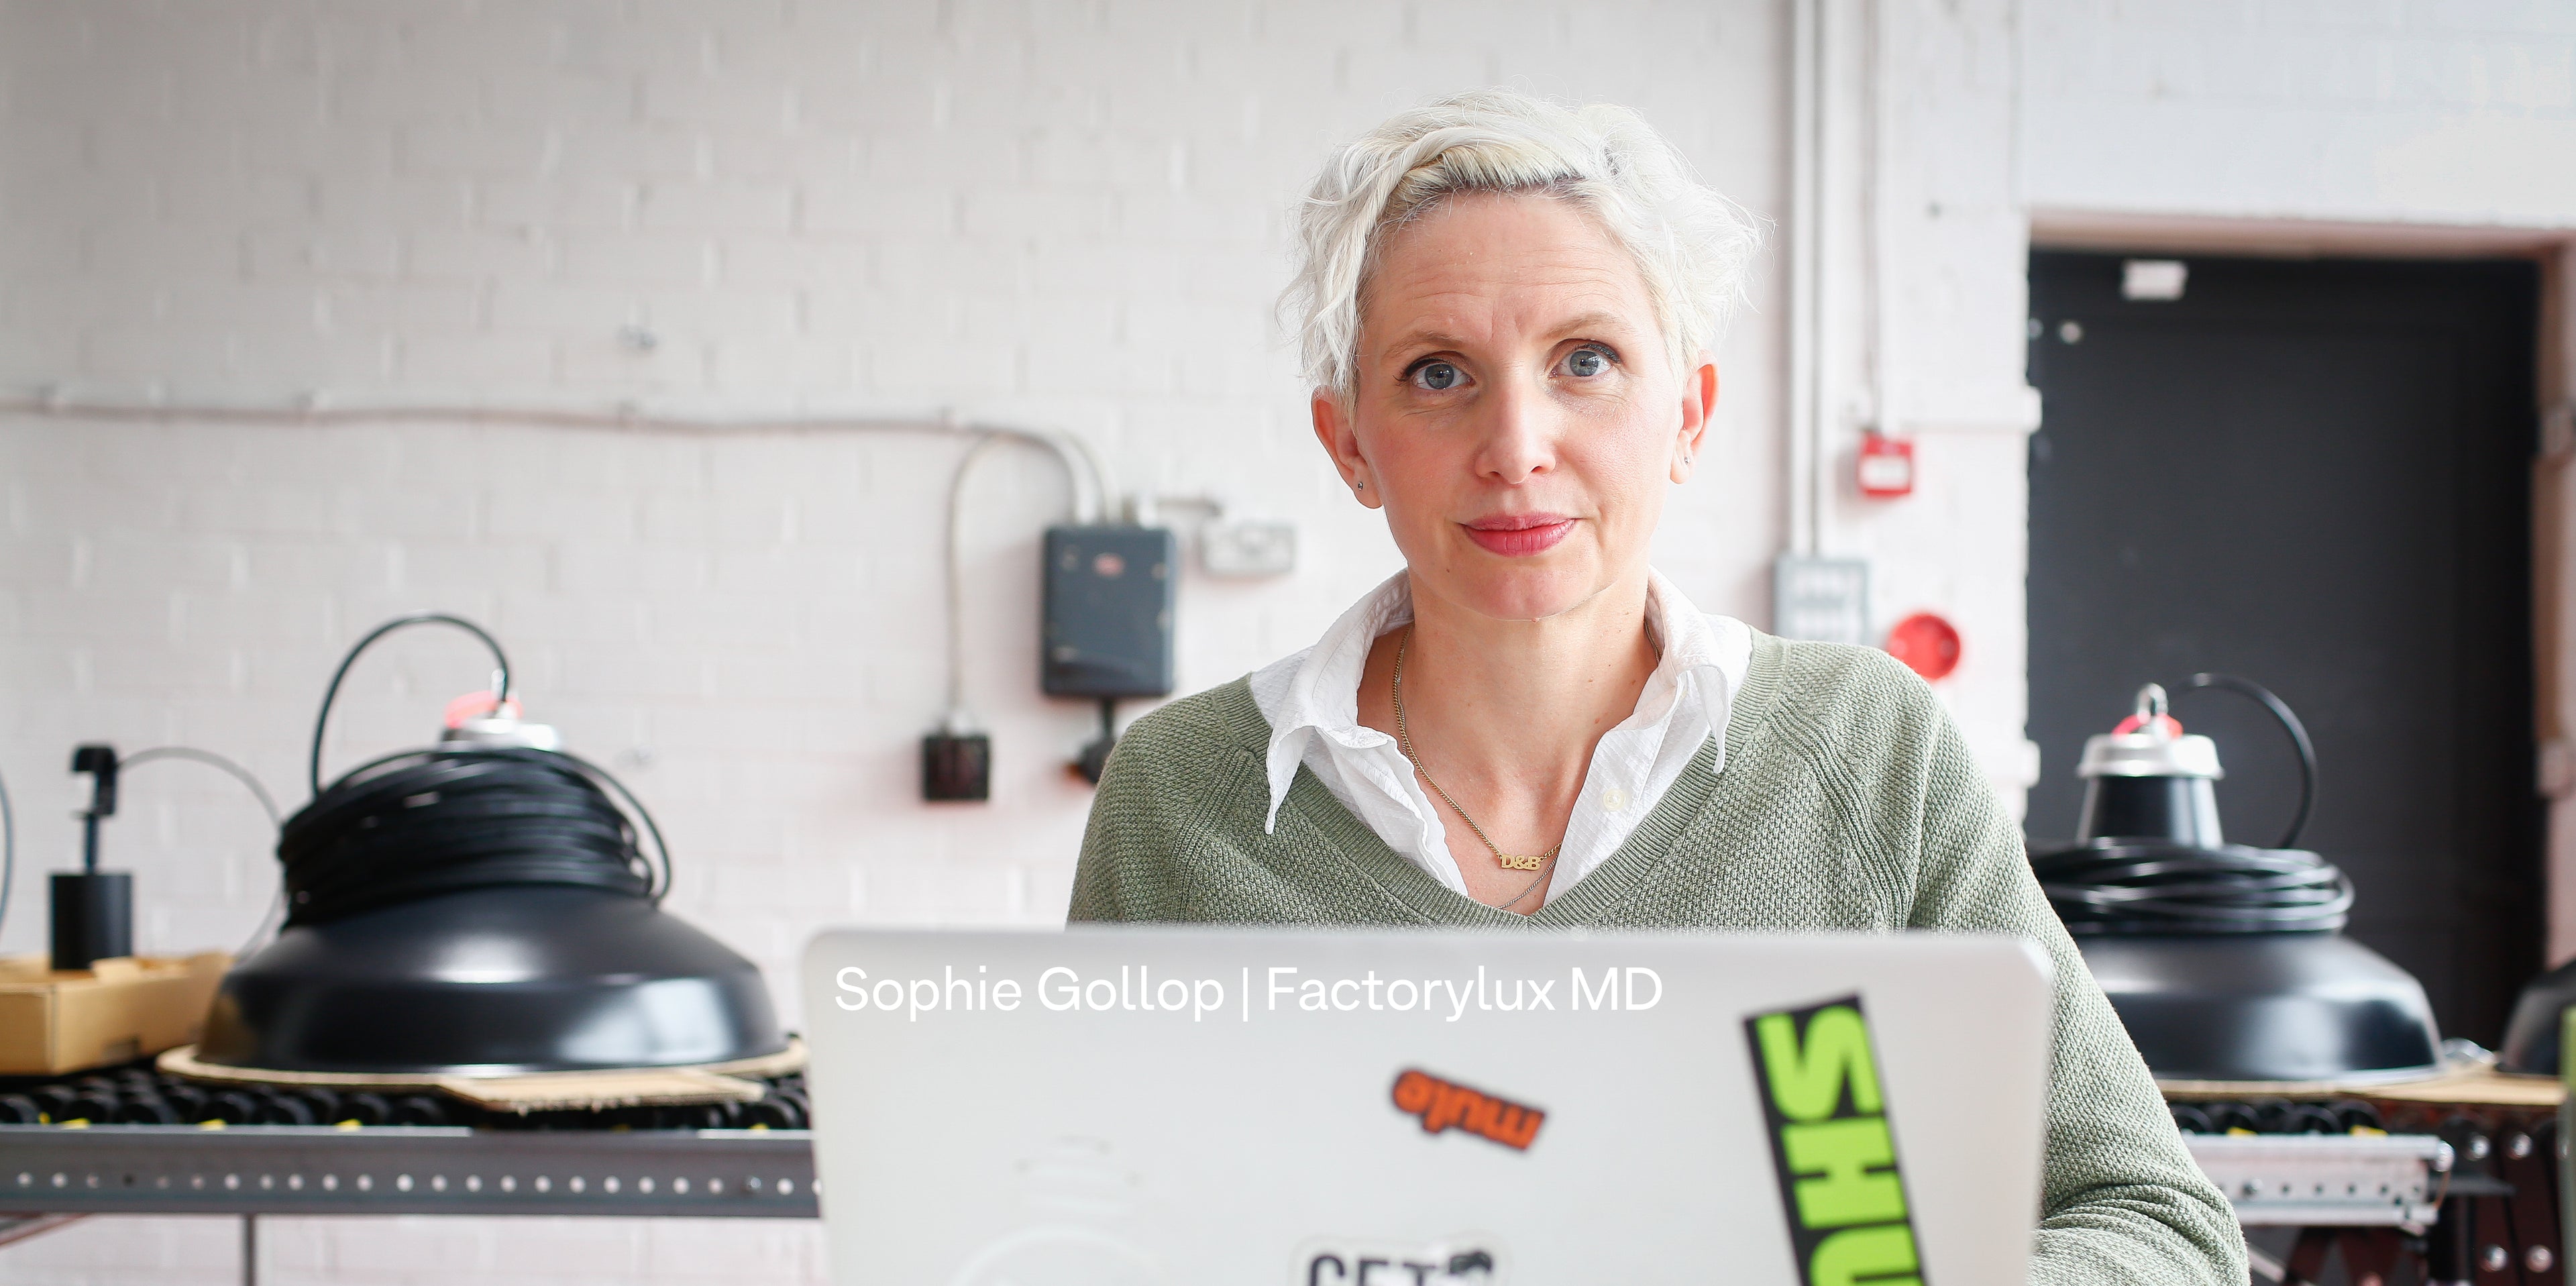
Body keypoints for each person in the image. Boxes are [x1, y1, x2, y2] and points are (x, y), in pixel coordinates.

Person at [1069, 88, 2243, 1283]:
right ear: (1351, 444)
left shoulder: (1871, 752)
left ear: (1687, 415)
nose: (1518, 443)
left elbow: (2155, 1223)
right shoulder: (1183, 798)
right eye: (1437, 373)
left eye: (1587, 360)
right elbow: (1082, 1232)